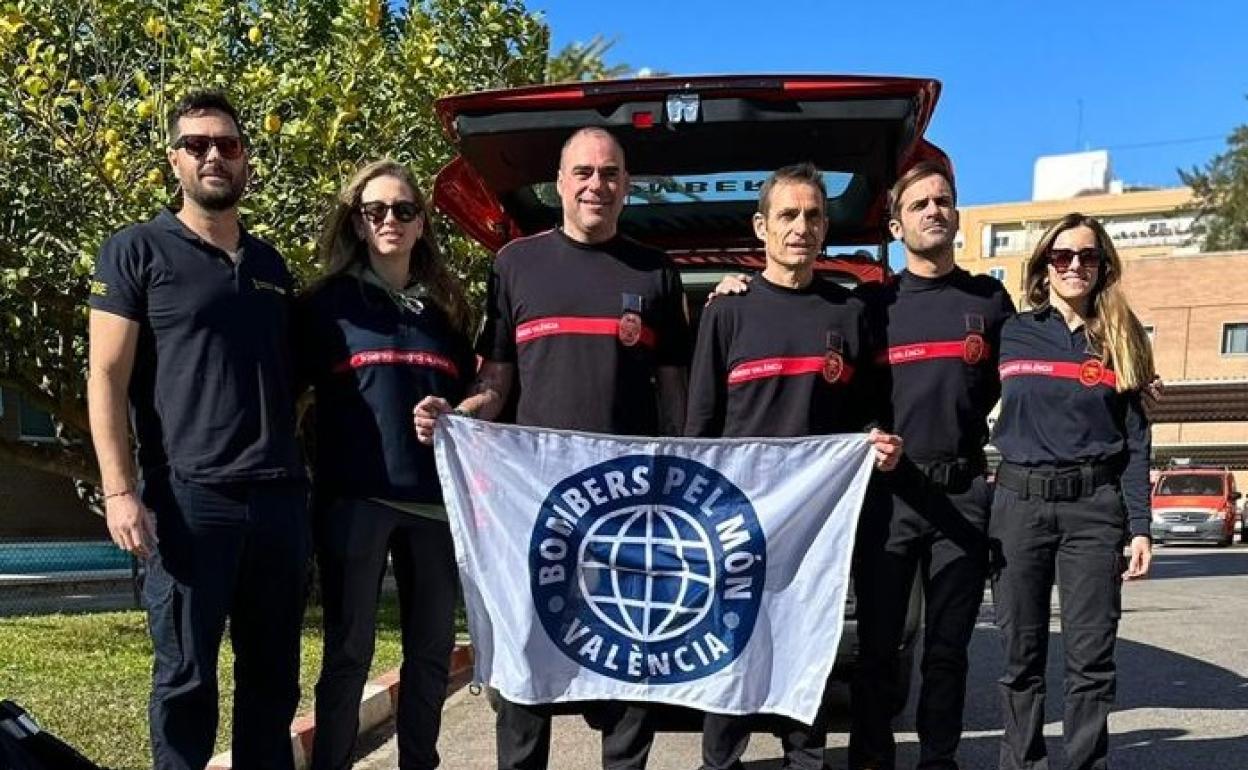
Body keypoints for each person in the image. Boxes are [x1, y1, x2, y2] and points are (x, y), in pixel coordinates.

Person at [710, 160, 1015, 770]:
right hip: (887, 498)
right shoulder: (869, 306)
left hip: (961, 496)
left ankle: (938, 760)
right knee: (877, 649)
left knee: (948, 651)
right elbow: (849, 403)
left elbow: (1035, 369)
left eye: (944, 200)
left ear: (957, 214)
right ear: (896, 227)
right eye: (921, 203)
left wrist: (1118, 372)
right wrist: (729, 284)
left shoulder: (991, 299)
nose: (934, 209)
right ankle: (869, 763)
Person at [414, 127, 691, 770]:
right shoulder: (515, 264)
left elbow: (677, 400)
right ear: (560, 183)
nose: (598, 184)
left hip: (628, 510)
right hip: (537, 512)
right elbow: (498, 380)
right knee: (530, 662)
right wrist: (457, 417)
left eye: (611, 173)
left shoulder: (658, 272)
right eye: (584, 172)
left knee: (629, 668)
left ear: (627, 185)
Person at [87, 90, 308, 770]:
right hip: (188, 500)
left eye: (229, 145)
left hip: (276, 501)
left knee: (272, 683)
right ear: (174, 160)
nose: (215, 155)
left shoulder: (271, 267)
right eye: (198, 145)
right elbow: (106, 378)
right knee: (186, 682)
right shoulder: (135, 251)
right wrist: (121, 492)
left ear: (246, 161)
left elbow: (294, 382)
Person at [685, 162, 903, 770]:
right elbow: (701, 423)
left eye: (813, 215)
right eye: (787, 214)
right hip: (736, 519)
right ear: (761, 226)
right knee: (731, 643)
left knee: (806, 643)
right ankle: (720, 760)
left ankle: (804, 757)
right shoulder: (726, 310)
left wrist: (875, 441)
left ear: (826, 227)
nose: (801, 226)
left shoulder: (849, 313)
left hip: (817, 524)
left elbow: (865, 414)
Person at [297, 160, 475, 770]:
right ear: (357, 221)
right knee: (348, 653)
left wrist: (454, 408)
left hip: (433, 506)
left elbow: (477, 401)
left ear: (422, 223)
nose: (390, 221)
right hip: (355, 502)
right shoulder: (324, 306)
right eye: (375, 211)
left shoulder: (449, 312)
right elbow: (288, 398)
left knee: (429, 652)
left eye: (403, 210)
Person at [989, 213, 1154, 770]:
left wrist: (1141, 528)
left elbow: (1135, 440)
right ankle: (1022, 762)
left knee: (1091, 658)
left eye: (1087, 256)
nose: (1075, 266)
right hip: (1019, 504)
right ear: (1044, 266)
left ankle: (1083, 763)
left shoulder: (1123, 336)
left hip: (1094, 510)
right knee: (1020, 654)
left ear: (1103, 265)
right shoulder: (1010, 331)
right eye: (1063, 257)